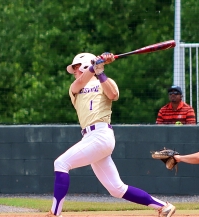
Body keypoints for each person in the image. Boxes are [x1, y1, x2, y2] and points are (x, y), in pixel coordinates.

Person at [45, 52, 176, 217]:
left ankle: (55, 213)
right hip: (90, 137)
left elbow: (113, 95)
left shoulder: (105, 81)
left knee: (61, 163)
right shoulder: (75, 88)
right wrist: (95, 66)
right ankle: (164, 206)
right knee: (116, 189)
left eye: (77, 68)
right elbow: (80, 81)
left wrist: (100, 72)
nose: (75, 72)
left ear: (85, 64)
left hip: (100, 134)